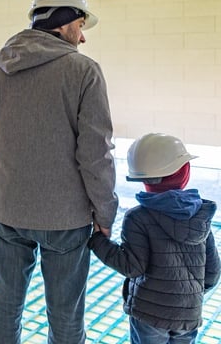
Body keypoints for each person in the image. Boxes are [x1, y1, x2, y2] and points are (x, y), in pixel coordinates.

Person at [0, 0, 118, 343]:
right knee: (65, 319)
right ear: (65, 23)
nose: (82, 38)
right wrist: (105, 212)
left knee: (3, 312)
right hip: (65, 219)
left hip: (6, 212)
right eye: (80, 26)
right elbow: (95, 153)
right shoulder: (84, 71)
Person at [89, 133, 220, 344]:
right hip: (189, 313)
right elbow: (212, 274)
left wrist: (97, 241)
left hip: (149, 314)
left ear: (142, 180)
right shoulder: (200, 216)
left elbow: (132, 267)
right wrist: (186, 297)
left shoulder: (137, 218)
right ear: (185, 173)